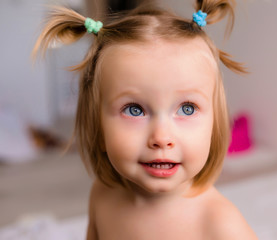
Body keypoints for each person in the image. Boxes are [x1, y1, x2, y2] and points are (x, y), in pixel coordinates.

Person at [33, 0, 258, 239]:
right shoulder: (103, 195)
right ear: (98, 128)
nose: (161, 138)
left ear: (214, 129)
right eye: (134, 110)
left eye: (187, 109)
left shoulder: (219, 224)